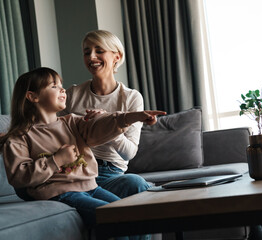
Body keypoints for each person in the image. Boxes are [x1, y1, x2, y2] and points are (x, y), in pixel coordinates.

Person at [0, 67, 165, 229]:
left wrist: (134, 116)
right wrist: (56, 160)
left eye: (61, 84)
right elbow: (19, 176)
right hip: (59, 193)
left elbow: (101, 127)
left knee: (138, 216)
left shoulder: (72, 122)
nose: (62, 89)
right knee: (118, 217)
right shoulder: (19, 137)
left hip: (92, 187)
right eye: (54, 86)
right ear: (32, 96)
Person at [60, 30, 152, 200]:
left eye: (99, 51)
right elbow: (55, 133)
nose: (91, 57)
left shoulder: (131, 97)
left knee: (135, 183)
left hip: (110, 173)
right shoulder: (72, 94)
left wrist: (109, 125)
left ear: (116, 57)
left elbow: (129, 153)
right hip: (77, 170)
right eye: (87, 52)